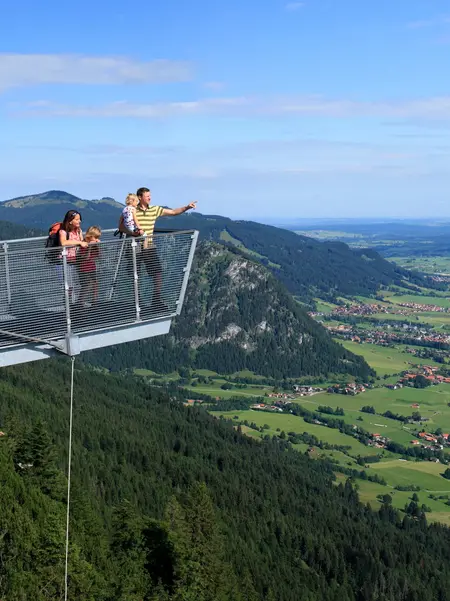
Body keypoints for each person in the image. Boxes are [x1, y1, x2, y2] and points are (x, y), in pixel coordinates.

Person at [119, 187, 197, 311]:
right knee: (135, 274)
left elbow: (173, 212)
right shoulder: (131, 209)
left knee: (157, 272)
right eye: (147, 196)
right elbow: (121, 227)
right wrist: (134, 233)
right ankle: (137, 302)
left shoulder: (154, 209)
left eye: (150, 195)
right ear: (140, 197)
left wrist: (187, 207)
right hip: (135, 245)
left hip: (149, 245)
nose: (150, 198)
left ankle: (156, 299)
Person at [59, 210, 88, 303]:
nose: (79, 221)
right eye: (77, 219)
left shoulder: (79, 231)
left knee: (80, 284)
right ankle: (68, 306)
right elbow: (64, 243)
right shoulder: (63, 231)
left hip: (76, 261)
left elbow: (83, 242)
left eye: (80, 219)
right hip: (65, 262)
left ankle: (77, 305)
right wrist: (79, 242)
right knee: (69, 286)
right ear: (70, 221)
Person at [78, 226, 101, 308]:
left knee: (95, 284)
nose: (96, 239)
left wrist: (97, 246)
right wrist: (90, 247)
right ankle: (80, 302)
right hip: (84, 269)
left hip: (92, 267)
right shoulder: (83, 244)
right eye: (96, 237)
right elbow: (86, 257)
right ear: (90, 236)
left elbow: (98, 256)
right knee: (87, 285)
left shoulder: (94, 245)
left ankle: (94, 302)